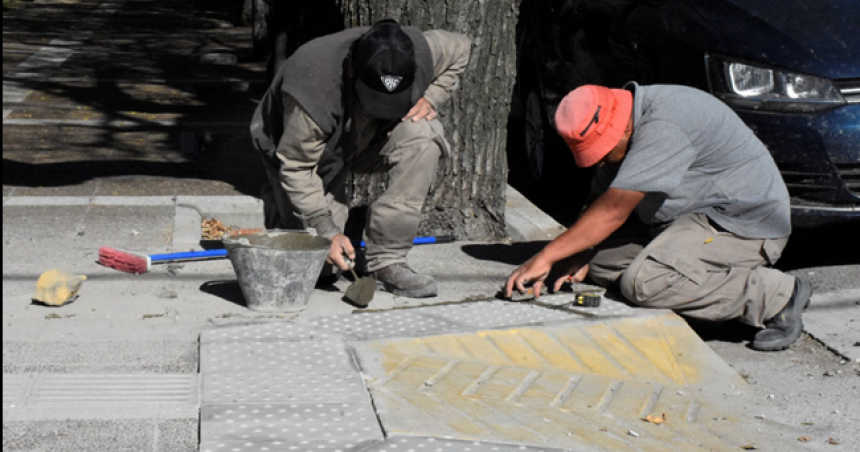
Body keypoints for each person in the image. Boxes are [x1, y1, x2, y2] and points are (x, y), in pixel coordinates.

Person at [503, 82, 812, 351]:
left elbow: (613, 211)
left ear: (621, 128)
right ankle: (696, 291)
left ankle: (777, 295)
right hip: (687, 223)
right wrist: (577, 250)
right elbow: (599, 200)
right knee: (599, 263)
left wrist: (545, 256)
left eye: (603, 151)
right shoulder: (625, 116)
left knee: (644, 283)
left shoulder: (664, 124)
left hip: (740, 225)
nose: (601, 162)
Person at [251, 19, 471, 300]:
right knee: (324, 269)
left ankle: (387, 262)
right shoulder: (313, 87)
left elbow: (462, 47)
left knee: (424, 136)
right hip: (308, 154)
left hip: (366, 138)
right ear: (353, 70)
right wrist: (326, 230)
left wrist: (432, 97)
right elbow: (297, 167)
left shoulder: (420, 50)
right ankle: (281, 211)